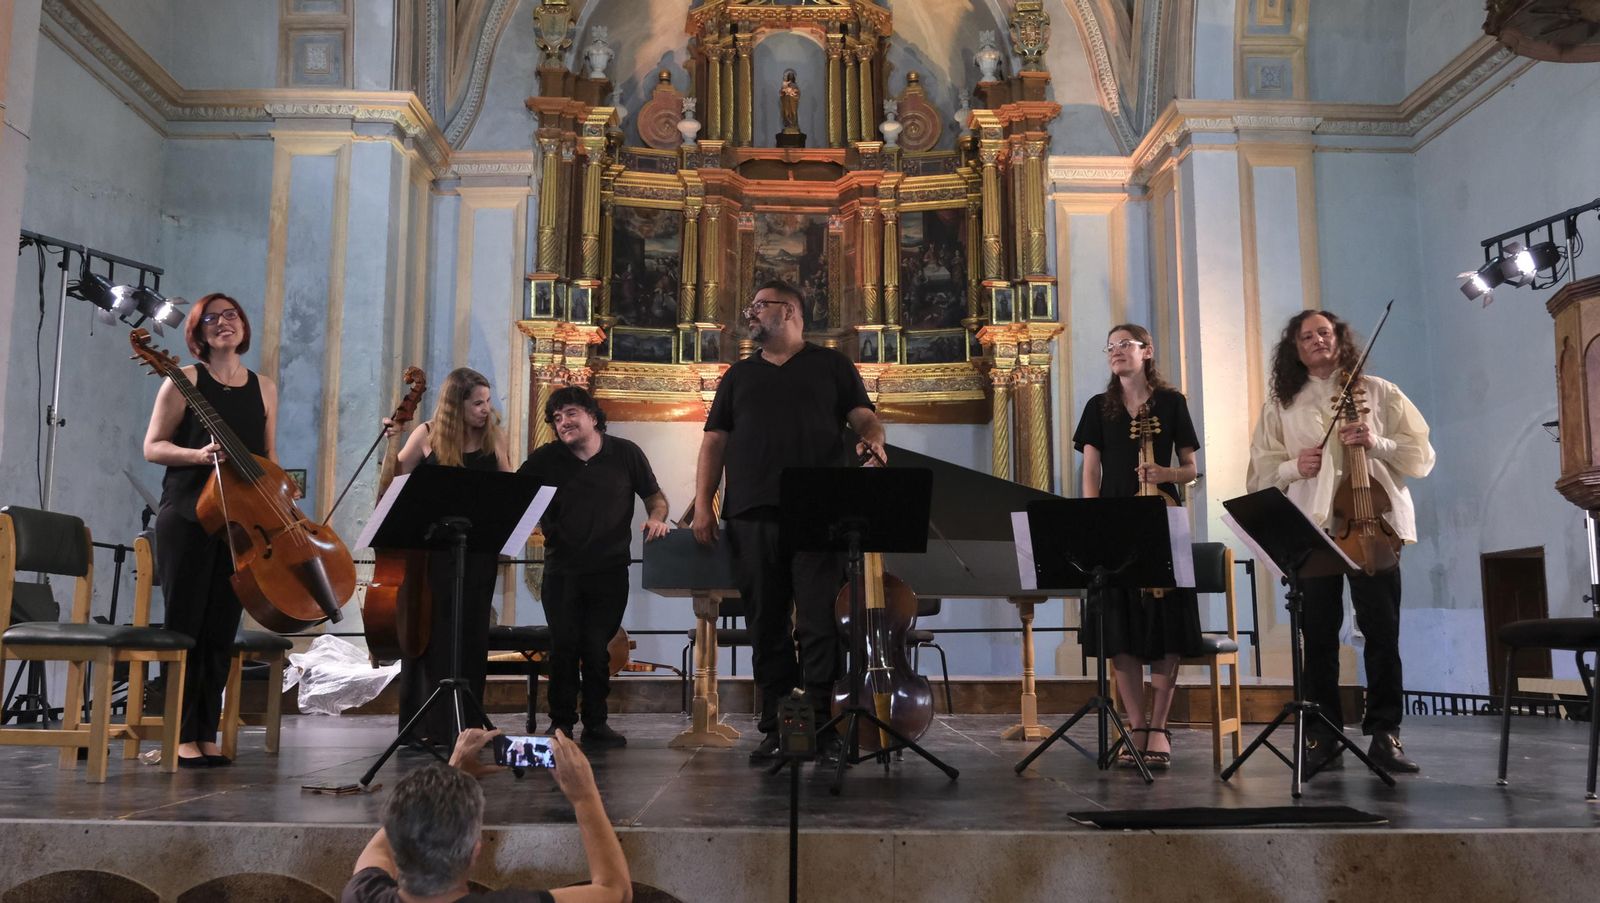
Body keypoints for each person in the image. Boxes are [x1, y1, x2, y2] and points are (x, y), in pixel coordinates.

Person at [692, 279, 886, 763]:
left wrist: (874, 438)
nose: (751, 313)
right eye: (751, 305)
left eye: (760, 305)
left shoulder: (832, 366)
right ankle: (777, 724)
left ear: (791, 311)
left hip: (819, 511)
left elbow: (864, 417)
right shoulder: (739, 375)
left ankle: (820, 722)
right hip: (751, 512)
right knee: (766, 623)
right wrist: (702, 504)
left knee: (820, 622)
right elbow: (714, 441)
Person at [1247, 310, 1435, 774]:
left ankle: (1385, 734)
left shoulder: (1379, 391)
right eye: (1306, 336)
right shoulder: (1282, 404)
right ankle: (1322, 736)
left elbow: (1422, 456)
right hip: (1315, 529)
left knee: (1382, 633)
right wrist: (1296, 467)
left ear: (1339, 339)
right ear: (1295, 347)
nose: (1317, 341)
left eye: (1324, 333)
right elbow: (1259, 473)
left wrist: (1378, 443)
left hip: (1376, 527)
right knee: (1319, 635)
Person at [144, 293, 279, 768]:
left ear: (243, 326)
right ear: (199, 333)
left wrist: (279, 493)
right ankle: (181, 735)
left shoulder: (263, 386)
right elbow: (153, 446)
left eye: (232, 316)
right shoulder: (183, 379)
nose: (225, 323)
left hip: (239, 522)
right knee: (186, 625)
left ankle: (206, 732)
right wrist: (197, 456)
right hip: (187, 514)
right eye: (213, 319)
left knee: (221, 628)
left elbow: (265, 458)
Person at [1071, 324, 1203, 769]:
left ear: (1147, 351)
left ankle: (1159, 728)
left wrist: (1165, 475)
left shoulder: (1171, 403)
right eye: (1109, 347)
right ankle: (1135, 724)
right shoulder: (1099, 407)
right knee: (1120, 623)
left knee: (1167, 622)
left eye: (1123, 344)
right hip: (1114, 521)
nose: (1115, 352)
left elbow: (1190, 469)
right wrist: (1089, 521)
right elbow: (1091, 470)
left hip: (1163, 520)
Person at [519, 387, 669, 746]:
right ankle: (560, 724)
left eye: (570, 413)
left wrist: (657, 519)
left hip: (610, 569)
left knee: (597, 647)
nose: (563, 423)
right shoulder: (546, 459)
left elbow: (655, 497)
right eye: (556, 418)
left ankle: (596, 723)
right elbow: (513, 494)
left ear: (592, 416)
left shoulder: (626, 453)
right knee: (564, 646)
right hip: (562, 570)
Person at [344, 728, 632, 903]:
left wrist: (452, 769)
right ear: (475, 851)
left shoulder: (362, 895)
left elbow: (379, 848)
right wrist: (584, 797)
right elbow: (615, 891)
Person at [390, 368, 515, 748]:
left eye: (488, 402)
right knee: (434, 634)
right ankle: (428, 726)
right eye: (477, 403)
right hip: (433, 557)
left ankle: (467, 726)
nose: (485, 410)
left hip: (476, 555)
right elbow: (397, 485)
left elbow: (511, 488)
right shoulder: (426, 435)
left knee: (472, 634)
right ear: (455, 404)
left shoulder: (494, 437)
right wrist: (392, 439)